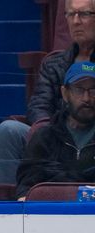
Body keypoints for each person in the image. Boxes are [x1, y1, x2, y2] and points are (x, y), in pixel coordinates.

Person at [0, 0, 95, 199]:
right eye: (71, 15)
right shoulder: (54, 63)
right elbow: (39, 105)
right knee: (9, 130)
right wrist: (51, 131)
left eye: (85, 14)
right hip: (57, 133)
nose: (76, 21)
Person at [16, 62, 95, 199]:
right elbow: (25, 190)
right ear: (65, 93)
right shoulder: (45, 137)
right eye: (79, 90)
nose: (86, 98)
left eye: (93, 90)